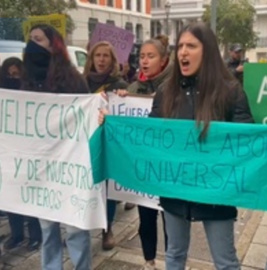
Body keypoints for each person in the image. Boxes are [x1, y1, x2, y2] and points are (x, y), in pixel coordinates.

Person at [149, 22, 253, 270]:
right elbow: (150, 137)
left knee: (225, 262)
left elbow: (245, 143)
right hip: (174, 191)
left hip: (216, 194)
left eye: (191, 46)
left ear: (207, 51)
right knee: (174, 254)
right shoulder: (165, 93)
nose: (183, 52)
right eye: (180, 46)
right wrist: (106, 121)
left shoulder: (231, 92)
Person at [21, 24, 90, 270]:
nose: (32, 45)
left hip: (70, 166)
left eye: (38, 39)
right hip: (42, 167)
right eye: (30, 39)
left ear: (54, 44)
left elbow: (86, 120)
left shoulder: (74, 80)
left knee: (75, 229)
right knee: (48, 228)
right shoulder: (26, 80)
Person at [103, 35, 171, 270]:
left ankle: (173, 261)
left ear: (163, 60)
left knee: (171, 221)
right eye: (142, 56)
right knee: (146, 219)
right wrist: (123, 99)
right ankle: (149, 261)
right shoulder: (132, 88)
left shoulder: (176, 87)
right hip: (144, 170)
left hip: (168, 169)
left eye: (150, 56)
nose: (144, 60)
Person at [83, 41, 128, 251]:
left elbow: (124, 114)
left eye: (105, 56)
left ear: (112, 60)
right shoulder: (81, 83)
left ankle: (106, 229)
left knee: (106, 189)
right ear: (91, 59)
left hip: (108, 144)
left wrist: (123, 98)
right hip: (84, 140)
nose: (101, 60)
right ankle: (81, 225)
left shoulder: (119, 85)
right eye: (97, 56)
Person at [0, 57, 42, 252]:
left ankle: (35, 235)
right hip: (7, 152)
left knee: (29, 194)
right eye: (9, 75)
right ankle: (16, 234)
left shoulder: (31, 94)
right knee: (10, 194)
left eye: (16, 74)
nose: (12, 78)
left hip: (28, 151)